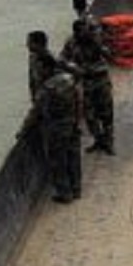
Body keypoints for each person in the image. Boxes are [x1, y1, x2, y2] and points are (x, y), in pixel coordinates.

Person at [18, 55, 83, 203]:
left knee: (58, 161)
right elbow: (79, 100)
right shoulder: (69, 79)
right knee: (73, 157)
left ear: (46, 68)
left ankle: (64, 193)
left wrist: (22, 130)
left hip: (56, 129)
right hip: (72, 124)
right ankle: (77, 188)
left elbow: (35, 112)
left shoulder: (47, 88)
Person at [62, 19, 115, 154]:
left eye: (87, 31)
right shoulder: (71, 42)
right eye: (82, 32)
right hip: (85, 82)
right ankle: (98, 139)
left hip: (100, 80)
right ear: (76, 33)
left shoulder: (97, 39)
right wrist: (73, 67)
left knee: (106, 112)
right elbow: (62, 59)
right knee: (90, 115)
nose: (86, 34)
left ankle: (109, 141)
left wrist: (98, 46)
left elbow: (111, 56)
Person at [27, 30, 56, 102]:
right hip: (38, 95)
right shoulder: (32, 57)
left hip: (48, 97)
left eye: (30, 42)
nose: (27, 45)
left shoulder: (48, 59)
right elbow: (31, 79)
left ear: (39, 44)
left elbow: (50, 81)